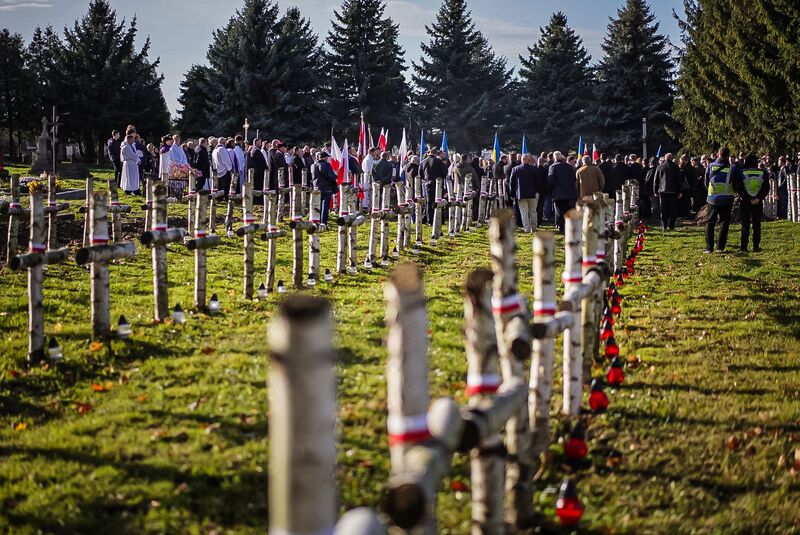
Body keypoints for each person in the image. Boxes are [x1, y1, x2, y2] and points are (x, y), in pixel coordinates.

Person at [704, 146, 738, 253]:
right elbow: (736, 184)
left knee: (710, 223)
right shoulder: (732, 169)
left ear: (718, 154)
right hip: (727, 199)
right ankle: (720, 247)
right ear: (728, 156)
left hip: (712, 199)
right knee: (724, 223)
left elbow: (706, 182)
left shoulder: (710, 166)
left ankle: (709, 248)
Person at [737, 154, 769, 252]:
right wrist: (759, 198)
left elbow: (739, 188)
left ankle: (744, 247)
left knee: (745, 224)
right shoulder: (762, 172)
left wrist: (747, 199)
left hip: (745, 201)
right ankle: (756, 246)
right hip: (758, 201)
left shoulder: (741, 172)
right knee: (757, 224)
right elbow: (766, 188)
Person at [547, 151, 577, 233]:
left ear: (554, 158)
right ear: (561, 157)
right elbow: (573, 179)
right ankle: (568, 227)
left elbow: (551, 181)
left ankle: (561, 227)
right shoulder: (568, 166)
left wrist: (550, 190)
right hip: (569, 192)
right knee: (567, 210)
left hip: (558, 193)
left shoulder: (553, 167)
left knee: (559, 211)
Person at [509, 153, 540, 232]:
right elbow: (538, 182)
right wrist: (538, 191)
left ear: (521, 160)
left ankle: (526, 228)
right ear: (529, 160)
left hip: (520, 193)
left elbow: (512, 183)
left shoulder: (515, 169)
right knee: (533, 211)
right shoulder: (534, 169)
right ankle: (533, 227)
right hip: (533, 193)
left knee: (524, 211)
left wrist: (512, 193)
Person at [653, 153, 682, 230]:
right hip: (673, 191)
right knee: (673, 209)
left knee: (663, 209)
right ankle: (671, 225)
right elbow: (679, 180)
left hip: (662, 191)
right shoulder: (675, 167)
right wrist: (680, 191)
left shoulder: (659, 167)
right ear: (672, 158)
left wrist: (655, 191)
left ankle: (664, 225)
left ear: (665, 158)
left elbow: (656, 181)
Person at [421, 148, 447, 223]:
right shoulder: (438, 161)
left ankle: (430, 220)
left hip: (427, 183)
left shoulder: (423, 162)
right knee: (439, 201)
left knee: (429, 202)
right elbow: (445, 172)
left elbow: (421, 174)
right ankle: (440, 219)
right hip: (437, 183)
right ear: (436, 154)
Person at [313, 151, 338, 224]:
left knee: (318, 205)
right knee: (325, 206)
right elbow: (331, 176)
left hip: (317, 188)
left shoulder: (313, 165)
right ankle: (323, 223)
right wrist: (336, 176)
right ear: (325, 157)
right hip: (327, 188)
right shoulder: (327, 165)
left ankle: (317, 221)